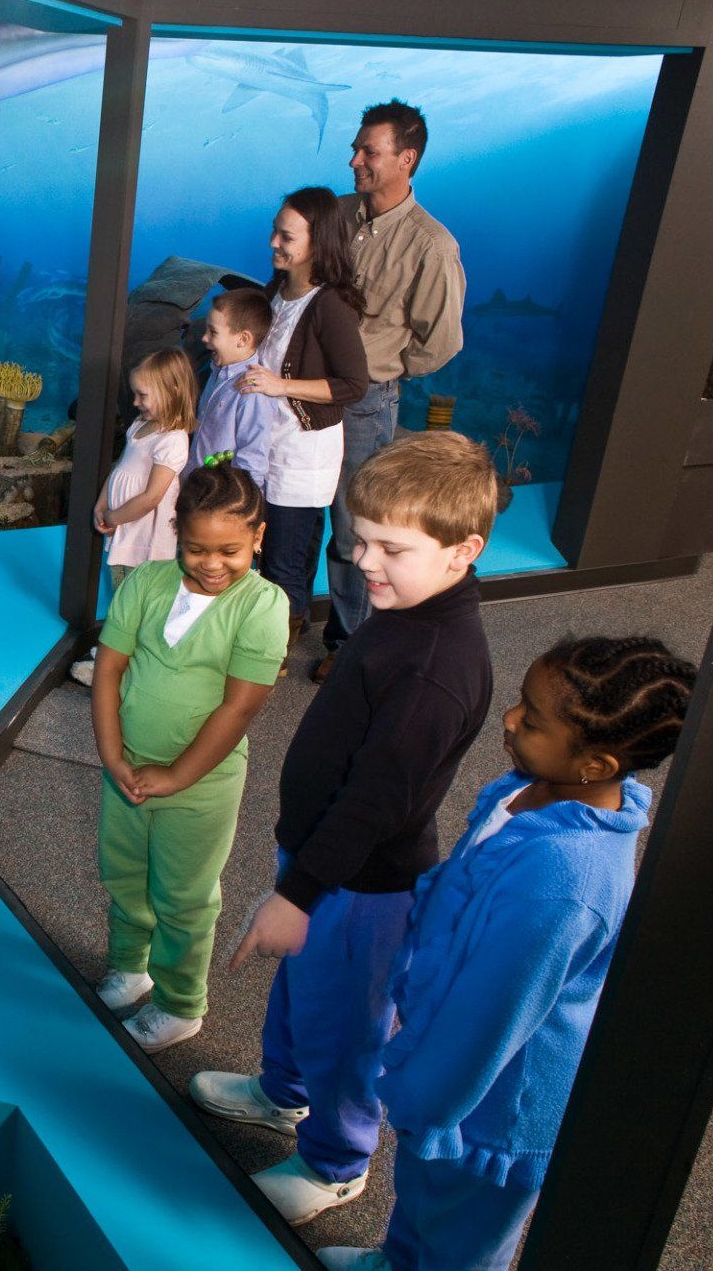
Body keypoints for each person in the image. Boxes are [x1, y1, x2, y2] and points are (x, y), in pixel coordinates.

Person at [189, 430, 496, 1225]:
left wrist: (297, 893)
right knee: (303, 995)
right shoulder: (407, 606)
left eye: (392, 548)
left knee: (347, 1027)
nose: (364, 562)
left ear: (464, 550)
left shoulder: (437, 666)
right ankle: (283, 1093)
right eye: (361, 539)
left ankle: (335, 1162)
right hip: (324, 862)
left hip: (362, 887)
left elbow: (374, 801)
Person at [317, 636, 696, 1271]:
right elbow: (465, 881)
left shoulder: (564, 886)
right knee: (421, 1198)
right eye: (522, 701)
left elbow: (490, 1020)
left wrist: (424, 1101)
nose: (511, 719)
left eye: (533, 720)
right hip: (452, 1060)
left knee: (461, 1234)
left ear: (596, 764)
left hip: (495, 1103)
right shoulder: (533, 788)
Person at [90, 459, 288, 1052]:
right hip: (126, 770)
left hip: (201, 784)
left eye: (230, 551)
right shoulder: (146, 583)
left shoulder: (263, 605)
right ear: (177, 534)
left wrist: (177, 776)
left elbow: (239, 708)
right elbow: (109, 671)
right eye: (197, 549)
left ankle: (181, 1004)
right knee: (124, 874)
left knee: (183, 895)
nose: (212, 564)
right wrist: (113, 757)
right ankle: (131, 967)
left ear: (258, 537)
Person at [316, 100, 467, 684]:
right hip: (301, 390)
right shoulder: (336, 213)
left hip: (363, 405)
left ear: (406, 159)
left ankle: (350, 642)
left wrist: (380, 368)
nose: (354, 160)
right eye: (355, 149)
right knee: (290, 511)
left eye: (368, 151)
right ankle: (282, 619)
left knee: (354, 530)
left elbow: (440, 343)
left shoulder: (433, 246)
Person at [236, 186, 370, 675]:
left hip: (301, 456)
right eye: (274, 231)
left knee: (283, 560)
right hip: (264, 449)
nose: (273, 242)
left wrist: (280, 385)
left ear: (318, 242)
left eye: (286, 236)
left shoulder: (329, 304)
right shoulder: (276, 289)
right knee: (272, 548)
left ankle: (270, 656)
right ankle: (273, 633)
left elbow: (353, 384)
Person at [71, 349, 196, 687]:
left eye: (143, 395)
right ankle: (118, 655)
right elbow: (120, 469)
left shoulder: (173, 439)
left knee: (138, 603)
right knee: (123, 597)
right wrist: (102, 503)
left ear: (172, 390)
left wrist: (114, 516)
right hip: (124, 530)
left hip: (144, 539)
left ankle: (122, 666)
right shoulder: (140, 426)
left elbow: (152, 497)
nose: (136, 402)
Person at [192, 288, 278, 493]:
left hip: (219, 499)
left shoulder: (252, 391)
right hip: (196, 490)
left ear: (243, 339)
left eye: (213, 332)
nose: (204, 338)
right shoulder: (216, 371)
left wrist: (242, 503)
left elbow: (252, 457)